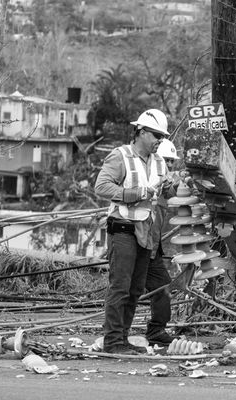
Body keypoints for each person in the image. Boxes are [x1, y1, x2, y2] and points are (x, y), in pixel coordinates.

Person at [95, 108, 171, 354]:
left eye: (162, 136)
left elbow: (164, 195)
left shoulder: (159, 162)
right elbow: (102, 187)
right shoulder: (121, 156)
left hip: (145, 232)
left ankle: (122, 338)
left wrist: (172, 187)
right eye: (156, 135)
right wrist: (134, 194)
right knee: (120, 286)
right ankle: (112, 341)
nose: (160, 140)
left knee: (135, 288)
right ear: (141, 132)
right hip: (123, 230)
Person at [144, 138, 181, 346]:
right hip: (139, 244)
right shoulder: (147, 182)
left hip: (153, 247)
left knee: (163, 286)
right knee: (126, 290)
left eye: (171, 161)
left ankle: (156, 330)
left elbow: (174, 197)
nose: (169, 165)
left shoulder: (164, 186)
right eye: (166, 160)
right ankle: (115, 333)